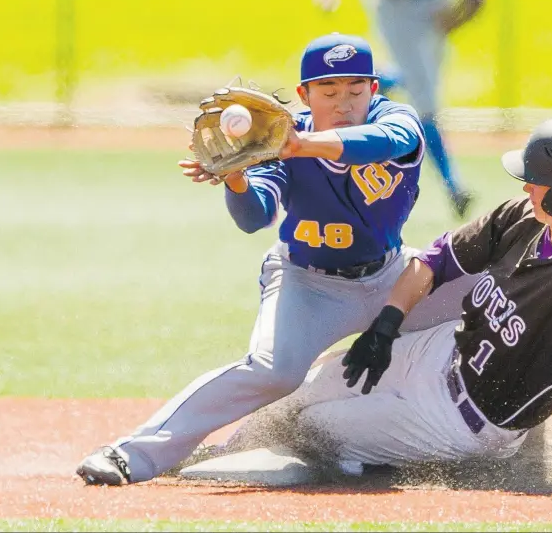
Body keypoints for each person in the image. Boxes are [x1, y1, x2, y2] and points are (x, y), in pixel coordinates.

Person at [75, 32, 479, 486]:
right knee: (274, 371)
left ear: (374, 90)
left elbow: (384, 141)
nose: (343, 102)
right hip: (308, 283)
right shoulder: (275, 141)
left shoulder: (394, 121)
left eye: (355, 89)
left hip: (391, 273)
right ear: (304, 95)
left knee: (487, 302)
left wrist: (300, 145)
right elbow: (255, 218)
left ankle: (488, 438)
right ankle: (134, 454)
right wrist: (235, 179)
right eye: (328, 91)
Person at [275, 117, 552, 496]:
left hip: (458, 422)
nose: (528, 186)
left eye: (538, 180)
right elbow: (435, 260)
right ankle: (223, 449)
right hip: (438, 352)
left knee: (315, 428)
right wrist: (386, 324)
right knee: (308, 388)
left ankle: (391, 466)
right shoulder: (524, 218)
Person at [316, 0, 486, 217]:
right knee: (425, 102)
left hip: (437, 4)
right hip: (398, 8)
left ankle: (372, 80)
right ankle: (454, 186)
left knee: (419, 84)